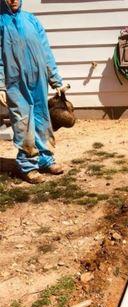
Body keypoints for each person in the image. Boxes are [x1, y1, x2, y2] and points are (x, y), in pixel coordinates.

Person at [0, 0, 64, 183]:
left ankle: (45, 159)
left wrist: (55, 80)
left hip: (38, 80)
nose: (12, 0)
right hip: (15, 83)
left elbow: (45, 51)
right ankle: (27, 165)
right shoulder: (0, 22)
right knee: (22, 122)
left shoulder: (31, 20)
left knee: (41, 118)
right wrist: (1, 85)